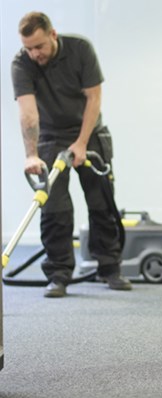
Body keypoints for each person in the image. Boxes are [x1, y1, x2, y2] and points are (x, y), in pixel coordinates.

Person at [11, 11, 132, 298]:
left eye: (38, 46)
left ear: (53, 34)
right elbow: (28, 113)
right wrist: (31, 154)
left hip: (89, 133)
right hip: (50, 138)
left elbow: (94, 98)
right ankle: (58, 274)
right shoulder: (21, 63)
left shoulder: (80, 49)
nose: (34, 53)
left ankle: (109, 268)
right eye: (28, 48)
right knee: (54, 210)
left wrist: (81, 142)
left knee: (102, 203)